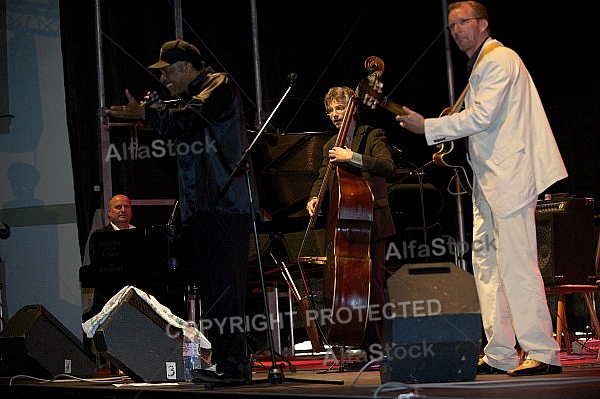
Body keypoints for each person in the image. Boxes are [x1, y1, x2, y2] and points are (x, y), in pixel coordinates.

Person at [393, 1, 567, 376]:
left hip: (510, 179)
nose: (456, 30)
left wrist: (430, 128)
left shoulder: (499, 60)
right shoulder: (481, 67)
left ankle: (543, 352)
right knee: (487, 267)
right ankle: (501, 352)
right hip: (489, 182)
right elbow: (480, 121)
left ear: (484, 24)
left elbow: (482, 116)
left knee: (517, 265)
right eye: (452, 25)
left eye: (463, 22)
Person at [106, 39, 255, 381]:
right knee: (212, 288)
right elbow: (176, 123)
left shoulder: (219, 84)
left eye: (170, 71)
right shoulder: (184, 100)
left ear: (188, 67)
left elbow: (191, 117)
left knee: (226, 288)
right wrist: (151, 113)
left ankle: (234, 367)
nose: (166, 79)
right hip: (200, 209)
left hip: (226, 204)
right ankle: (223, 364)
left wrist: (147, 112)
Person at [306, 86, 396, 367]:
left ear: (354, 108)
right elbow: (324, 174)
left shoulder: (371, 135)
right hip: (344, 223)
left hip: (372, 221)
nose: (334, 114)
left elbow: (387, 166)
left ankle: (382, 349)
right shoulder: (330, 142)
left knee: (373, 287)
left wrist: (352, 157)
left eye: (340, 108)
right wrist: (314, 196)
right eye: (330, 110)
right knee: (350, 288)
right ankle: (362, 345)